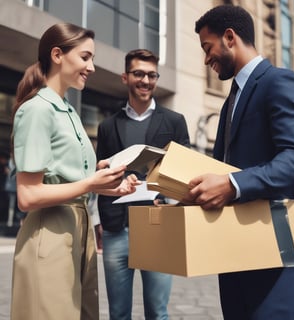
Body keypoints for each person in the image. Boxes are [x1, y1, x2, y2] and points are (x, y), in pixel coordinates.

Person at [183, 5, 294, 320]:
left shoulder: (281, 82)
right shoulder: (229, 101)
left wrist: (233, 185)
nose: (207, 59)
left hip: (280, 251)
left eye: (208, 48)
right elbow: (224, 168)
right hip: (236, 252)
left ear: (230, 38)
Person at [10, 23, 140, 320]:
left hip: (79, 234)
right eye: (85, 57)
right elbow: (27, 195)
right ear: (57, 55)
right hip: (50, 236)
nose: (91, 67)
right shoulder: (37, 110)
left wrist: (108, 185)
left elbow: (72, 180)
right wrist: (91, 183)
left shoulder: (68, 111)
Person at [95, 48, 190, 319]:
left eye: (151, 75)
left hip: (158, 227)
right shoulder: (107, 126)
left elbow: (185, 174)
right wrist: (97, 221)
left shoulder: (174, 121)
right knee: (118, 313)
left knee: (158, 313)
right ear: (125, 77)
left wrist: (171, 202)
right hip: (116, 229)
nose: (146, 81)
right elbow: (99, 175)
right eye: (139, 74)